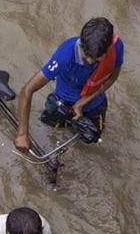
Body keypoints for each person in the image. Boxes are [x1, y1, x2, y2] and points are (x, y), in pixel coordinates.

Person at [14, 17, 124, 152]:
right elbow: (27, 90)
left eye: (96, 58)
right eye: (87, 55)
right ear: (82, 44)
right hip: (62, 103)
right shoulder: (64, 56)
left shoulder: (117, 47)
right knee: (49, 130)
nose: (89, 61)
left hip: (94, 104)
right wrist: (22, 133)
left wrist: (81, 104)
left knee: (93, 142)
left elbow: (111, 79)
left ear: (108, 49)